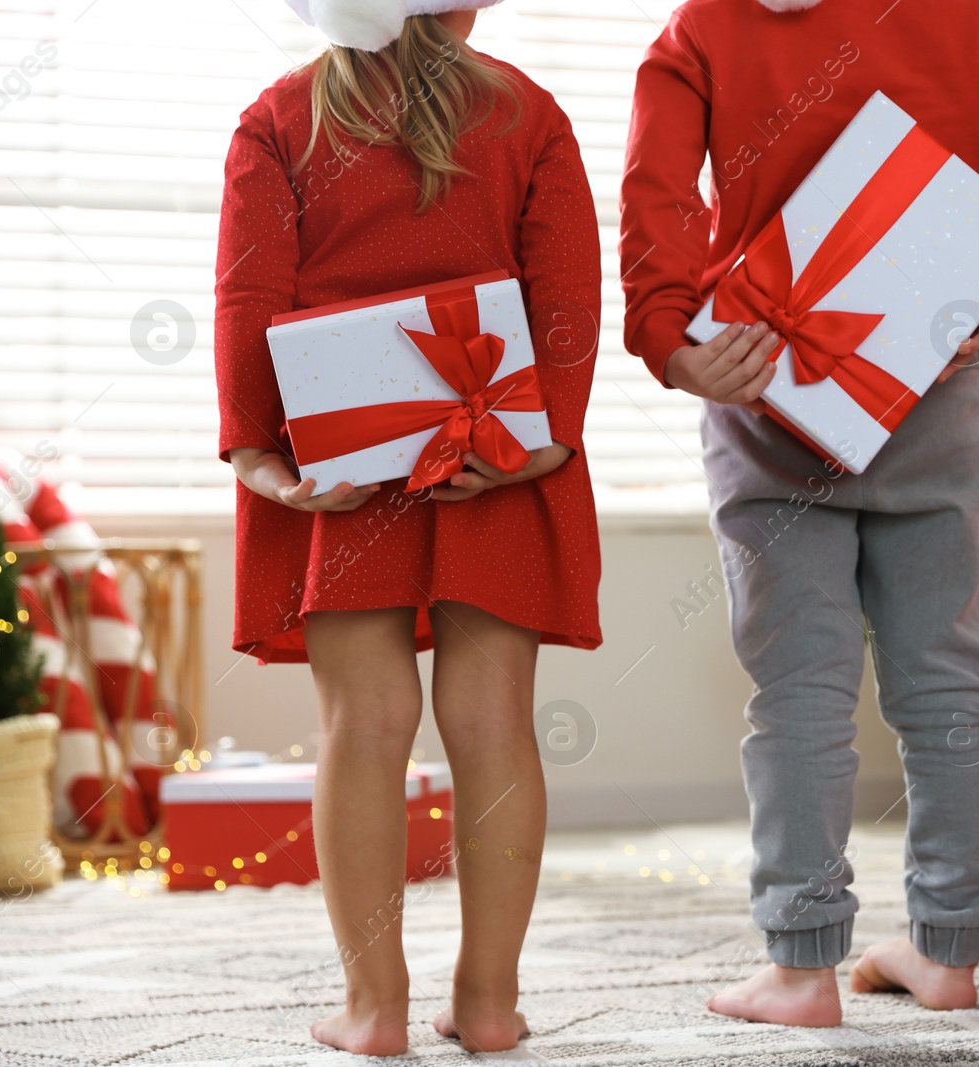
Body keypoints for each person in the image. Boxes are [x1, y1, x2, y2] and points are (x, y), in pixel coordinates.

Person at [619, 0, 979, 1027]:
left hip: (765, 384)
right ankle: (948, 949)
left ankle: (800, 968)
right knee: (949, 681)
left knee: (798, 691)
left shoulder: (701, 29)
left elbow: (656, 197)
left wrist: (672, 342)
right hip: (927, 374)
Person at [213, 0, 601, 1053]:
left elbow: (250, 294)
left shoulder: (280, 118)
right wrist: (545, 436)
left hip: (338, 467)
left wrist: (260, 454)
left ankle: (373, 1007)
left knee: (364, 724)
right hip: (495, 451)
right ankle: (488, 1004)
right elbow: (564, 290)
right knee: (493, 722)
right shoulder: (531, 113)